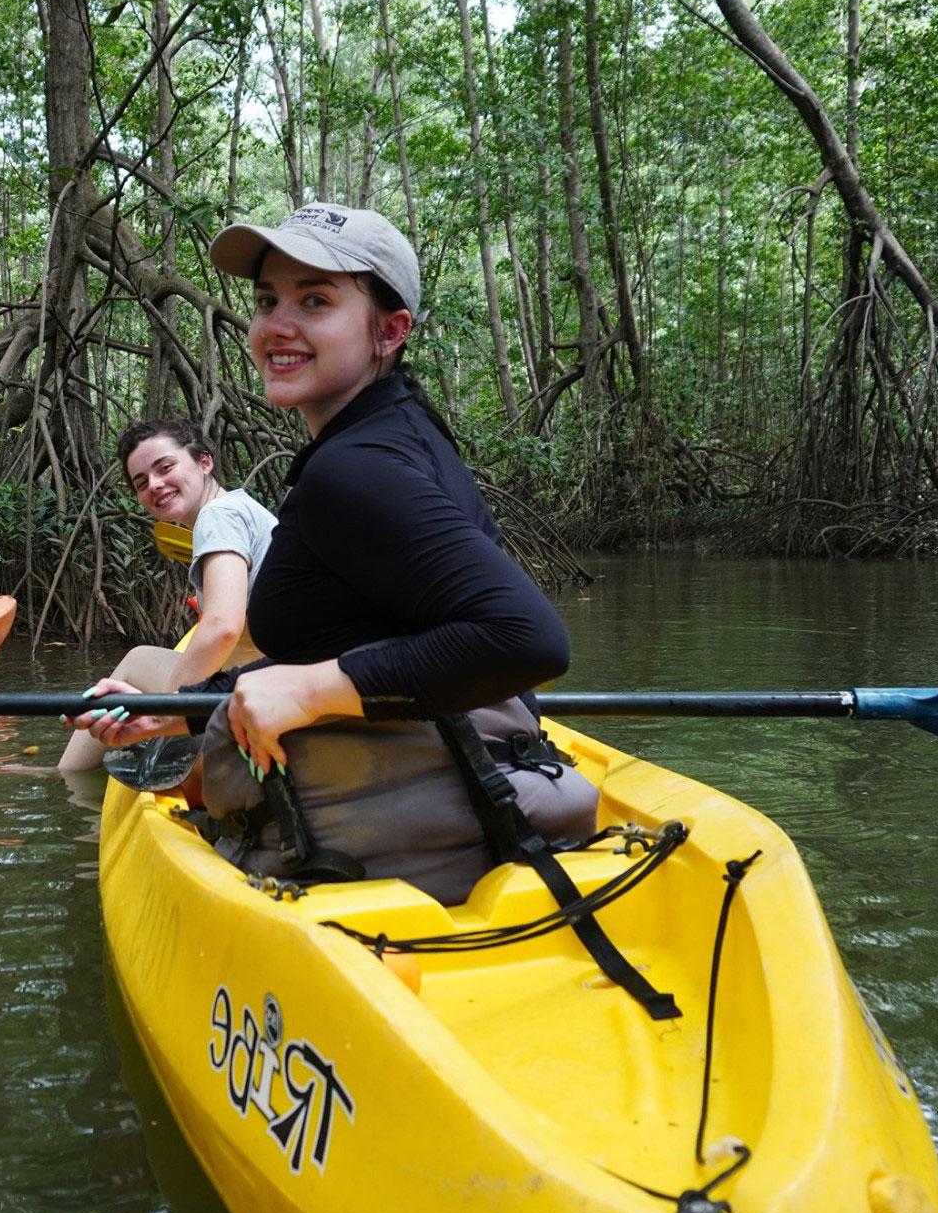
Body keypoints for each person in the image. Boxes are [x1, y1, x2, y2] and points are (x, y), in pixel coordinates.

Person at [73, 203, 597, 903]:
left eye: (315, 300)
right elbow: (367, 642)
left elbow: (527, 639)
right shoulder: (396, 427)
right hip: (432, 782)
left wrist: (310, 687)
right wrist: (181, 710)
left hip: (399, 831)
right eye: (266, 301)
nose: (275, 325)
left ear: (390, 330)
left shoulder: (355, 468)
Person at [56, 419, 277, 773]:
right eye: (141, 483)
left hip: (263, 688)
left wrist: (164, 712)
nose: (155, 485)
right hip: (263, 676)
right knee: (139, 657)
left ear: (204, 462)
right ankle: (70, 776)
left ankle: (69, 780)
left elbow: (221, 626)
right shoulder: (237, 506)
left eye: (165, 467)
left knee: (132, 668)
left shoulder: (218, 516)